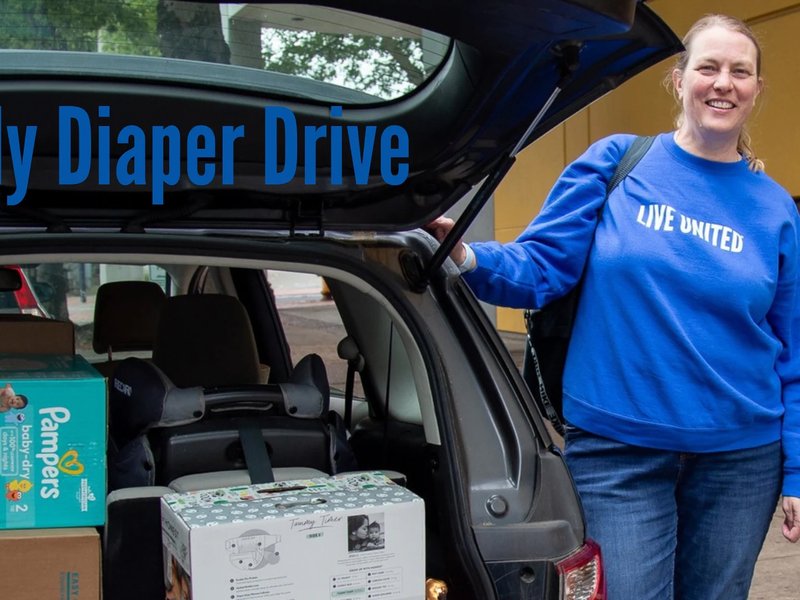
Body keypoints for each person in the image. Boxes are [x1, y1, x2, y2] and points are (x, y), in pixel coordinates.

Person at [427, 13, 800, 599]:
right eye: (708, 67)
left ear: (756, 89)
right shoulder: (618, 162)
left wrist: (797, 470)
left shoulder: (776, 209)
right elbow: (542, 267)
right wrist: (467, 257)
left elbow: (793, 350)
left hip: (740, 460)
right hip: (617, 451)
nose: (723, 83)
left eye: (740, 71)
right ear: (679, 80)